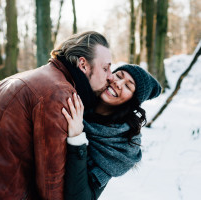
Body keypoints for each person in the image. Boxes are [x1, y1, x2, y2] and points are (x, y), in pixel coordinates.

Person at [0, 31, 113, 200]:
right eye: (105, 68)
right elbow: (51, 187)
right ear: (83, 65)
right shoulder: (59, 93)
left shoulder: (36, 76)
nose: (110, 77)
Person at [62, 64, 162, 199]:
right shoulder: (75, 91)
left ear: (132, 102)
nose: (118, 83)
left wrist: (76, 139)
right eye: (119, 75)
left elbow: (80, 197)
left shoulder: (120, 143)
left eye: (128, 86)